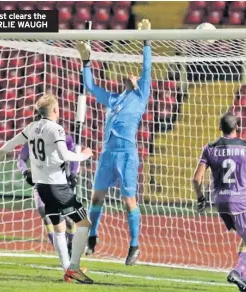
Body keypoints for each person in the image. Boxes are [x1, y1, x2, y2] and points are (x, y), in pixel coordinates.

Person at [0, 94, 94, 284]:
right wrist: (83, 155)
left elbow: (8, 146)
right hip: (58, 186)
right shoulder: (56, 129)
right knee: (84, 224)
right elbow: (64, 154)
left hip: (41, 187)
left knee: (58, 228)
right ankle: (73, 268)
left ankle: (67, 269)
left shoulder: (32, 127)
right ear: (55, 110)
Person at [76, 19, 152, 265]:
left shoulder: (140, 97)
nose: (131, 75)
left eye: (135, 75)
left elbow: (147, 69)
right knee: (96, 198)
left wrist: (146, 41)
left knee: (128, 202)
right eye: (128, 74)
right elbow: (89, 86)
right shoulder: (113, 99)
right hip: (107, 153)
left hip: (127, 154)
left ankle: (134, 246)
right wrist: (86, 61)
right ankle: (92, 237)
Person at [193, 112, 246, 292]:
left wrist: (200, 198)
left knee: (245, 239)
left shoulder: (209, 148)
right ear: (237, 128)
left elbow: (196, 179)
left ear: (220, 128)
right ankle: (237, 271)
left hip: (220, 202)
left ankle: (245, 282)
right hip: (240, 202)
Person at [18, 136, 78, 257]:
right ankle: (62, 252)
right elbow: (21, 158)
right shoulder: (32, 138)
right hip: (40, 181)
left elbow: (74, 156)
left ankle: (71, 244)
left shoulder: (63, 137)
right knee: (45, 215)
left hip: (61, 182)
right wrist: (25, 172)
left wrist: (73, 173)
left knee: (69, 220)